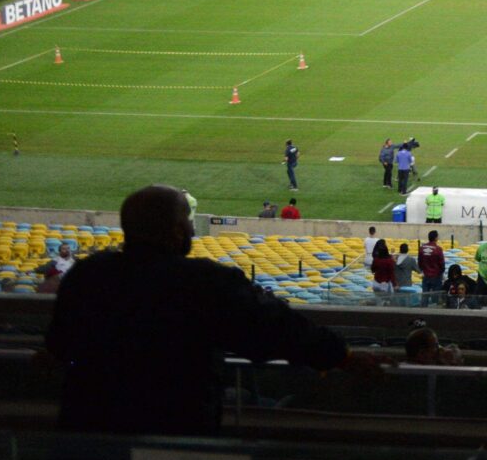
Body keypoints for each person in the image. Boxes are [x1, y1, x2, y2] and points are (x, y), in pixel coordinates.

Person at [44, 186, 371, 434]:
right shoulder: (204, 281)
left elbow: (57, 347)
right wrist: (344, 357)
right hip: (174, 433)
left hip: (88, 433)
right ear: (175, 232)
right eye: (186, 220)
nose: (190, 228)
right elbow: (276, 328)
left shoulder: (86, 274)